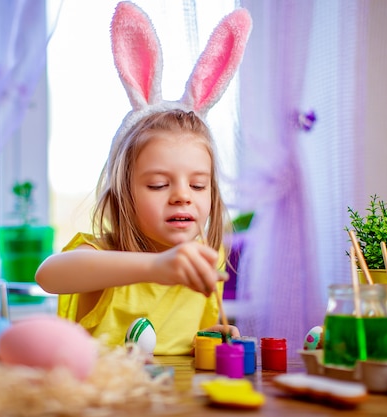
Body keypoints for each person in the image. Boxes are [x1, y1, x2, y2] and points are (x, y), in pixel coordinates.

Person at [36, 1, 252, 355]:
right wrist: (156, 266)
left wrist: (208, 336)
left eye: (198, 185)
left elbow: (180, 345)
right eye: (158, 184)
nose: (182, 196)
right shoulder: (101, 256)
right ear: (123, 195)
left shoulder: (206, 259)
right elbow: (49, 275)